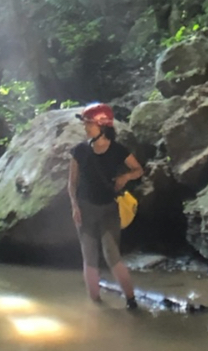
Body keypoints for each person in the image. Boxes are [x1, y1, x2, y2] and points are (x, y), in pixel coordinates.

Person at [68, 103, 144, 310]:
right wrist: (75, 207)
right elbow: (72, 183)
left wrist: (126, 177)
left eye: (89, 123)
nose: (85, 127)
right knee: (89, 257)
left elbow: (138, 169)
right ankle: (96, 305)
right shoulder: (80, 151)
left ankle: (131, 300)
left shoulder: (118, 150)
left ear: (102, 125)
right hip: (85, 209)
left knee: (112, 255)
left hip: (109, 209)